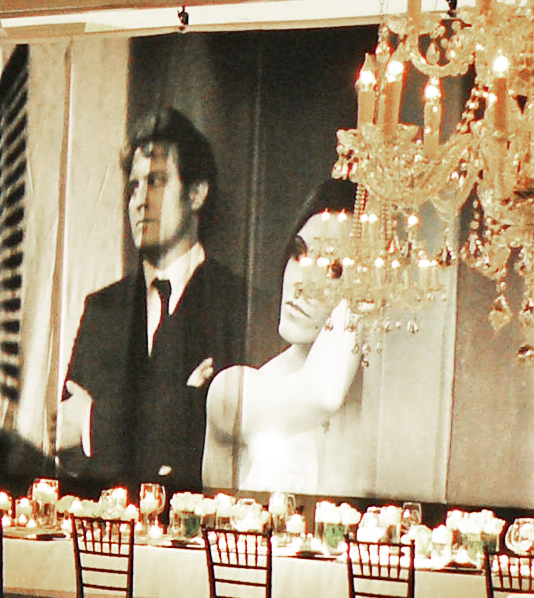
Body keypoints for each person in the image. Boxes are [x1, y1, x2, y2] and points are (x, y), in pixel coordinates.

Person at [57, 108, 247, 491]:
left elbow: (220, 442)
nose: (140, 201)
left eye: (157, 182)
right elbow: (65, 440)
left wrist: (94, 420)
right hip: (105, 532)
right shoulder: (102, 308)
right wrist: (181, 403)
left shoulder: (238, 304)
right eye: (133, 187)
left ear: (196, 193)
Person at [202, 179, 363, 494]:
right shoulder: (238, 391)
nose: (302, 282)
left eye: (334, 270)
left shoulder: (384, 403)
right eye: (299, 253)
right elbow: (323, 394)